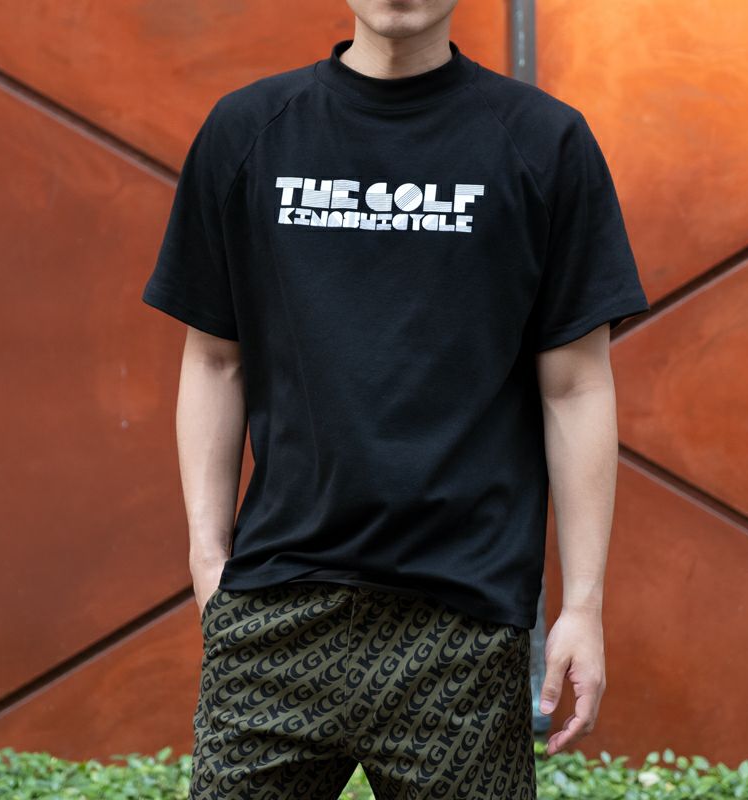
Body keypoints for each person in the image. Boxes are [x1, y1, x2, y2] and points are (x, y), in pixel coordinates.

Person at [141, 2, 650, 798]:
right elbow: (213, 359)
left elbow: (576, 385)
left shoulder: (543, 143)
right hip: (277, 604)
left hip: (462, 623)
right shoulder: (249, 131)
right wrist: (209, 561)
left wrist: (582, 605)